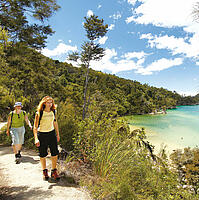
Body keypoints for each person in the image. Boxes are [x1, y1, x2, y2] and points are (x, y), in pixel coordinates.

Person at [33, 96, 60, 181]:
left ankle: (54, 171)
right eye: (48, 102)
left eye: (51, 102)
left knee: (55, 152)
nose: (50, 104)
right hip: (42, 134)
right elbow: (35, 127)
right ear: (44, 103)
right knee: (43, 153)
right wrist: (36, 138)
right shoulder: (39, 113)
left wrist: (58, 134)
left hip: (51, 134)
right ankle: (44, 171)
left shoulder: (53, 111)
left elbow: (55, 123)